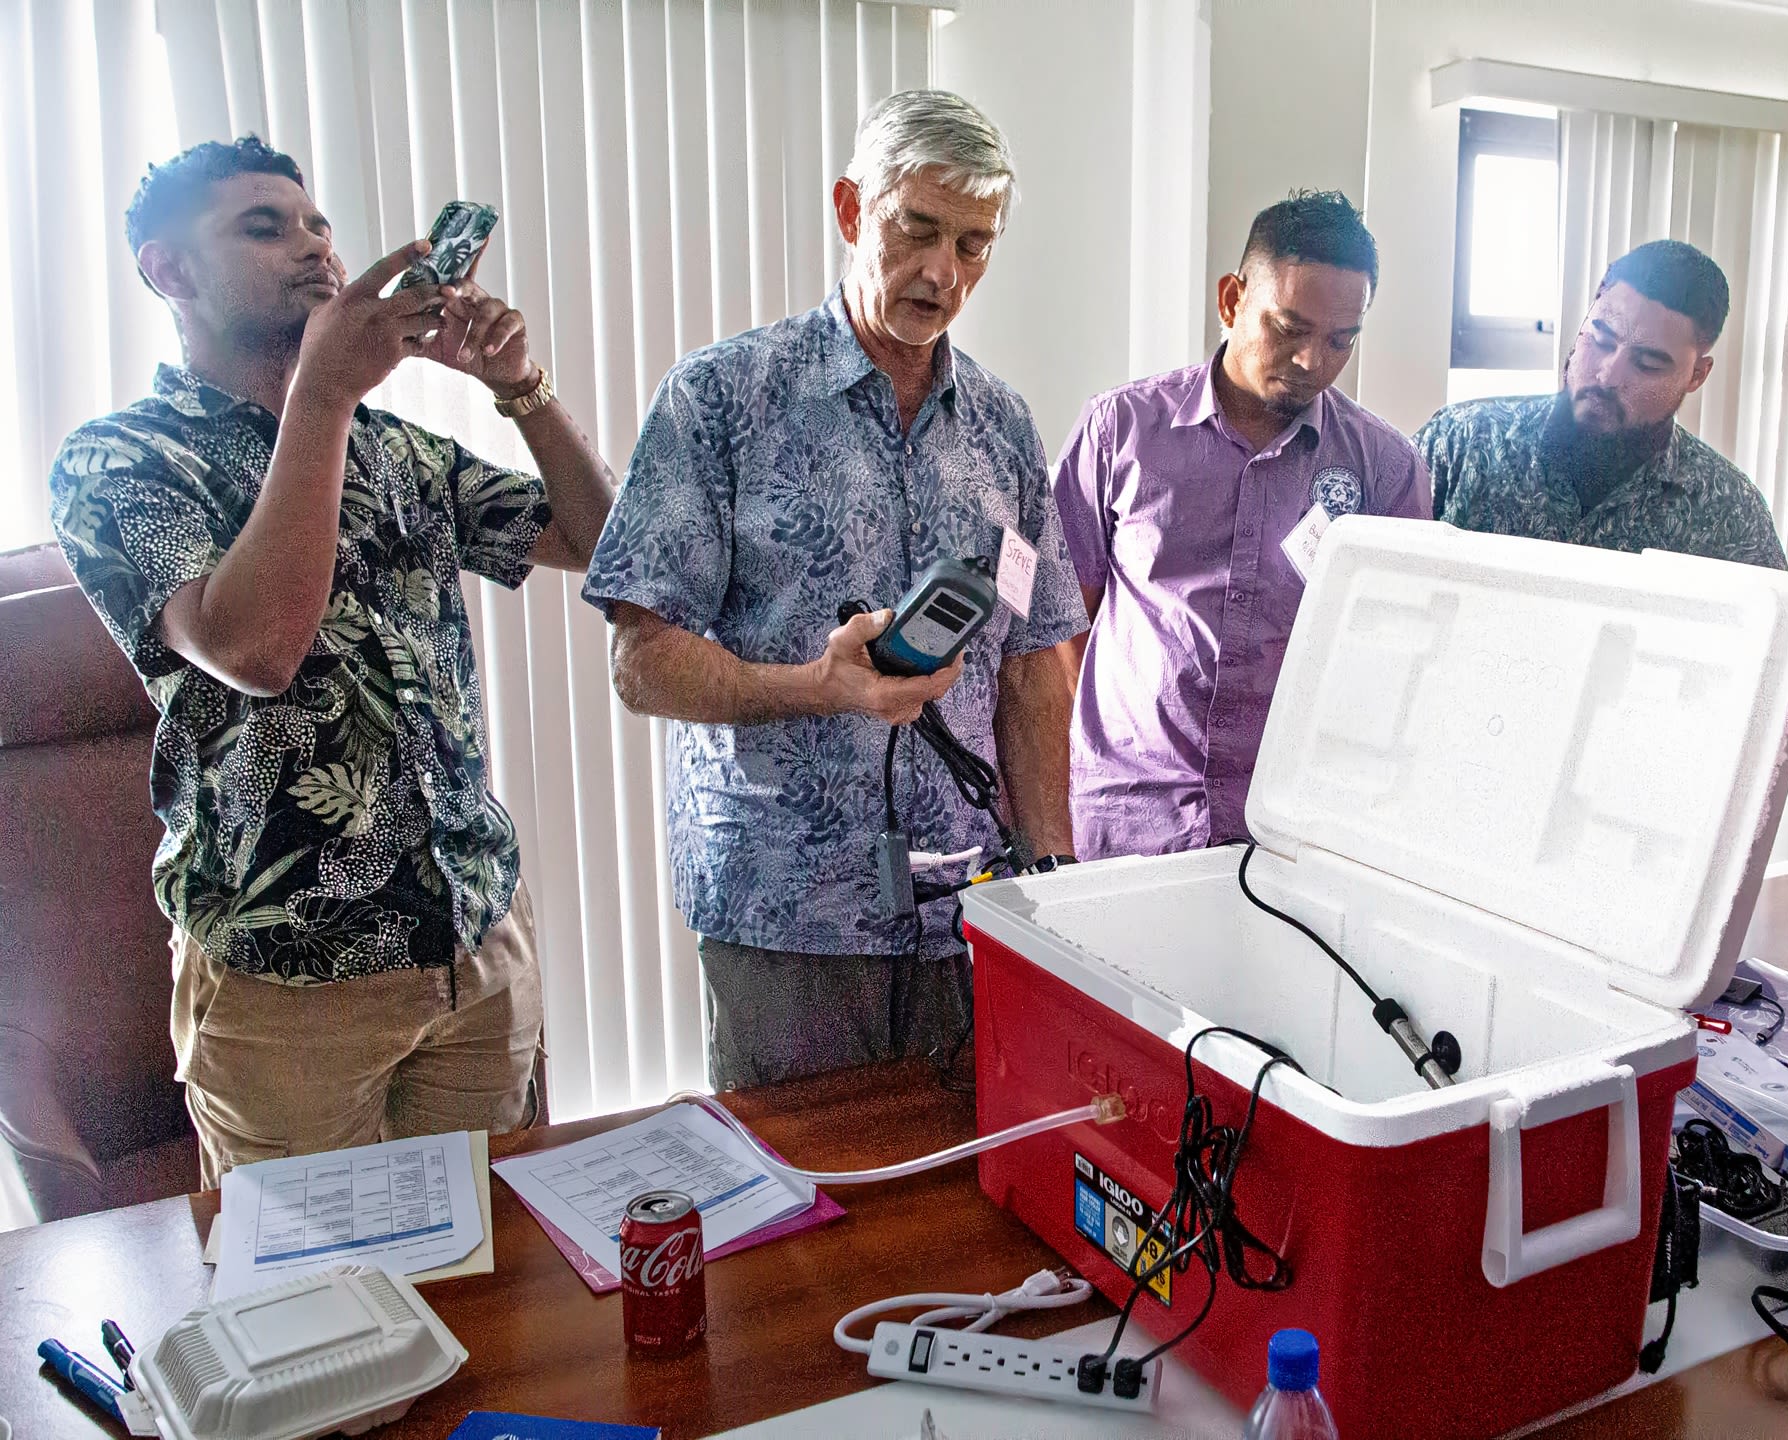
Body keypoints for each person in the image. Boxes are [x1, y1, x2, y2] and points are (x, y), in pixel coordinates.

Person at [48, 136, 616, 1185]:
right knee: (312, 1314)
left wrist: (520, 387)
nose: (313, 249)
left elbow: (603, 545)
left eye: (315, 225)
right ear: (166, 271)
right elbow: (256, 650)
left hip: (474, 946)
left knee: (489, 1289)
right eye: (262, 229)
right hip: (288, 985)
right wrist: (320, 395)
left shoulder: (395, 449)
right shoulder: (120, 460)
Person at [583, 90, 1086, 1089]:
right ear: (854, 210)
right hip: (787, 920)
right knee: (802, 1220)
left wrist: (1055, 884)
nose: (943, 272)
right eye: (918, 229)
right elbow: (642, 664)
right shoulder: (720, 400)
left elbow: (1036, 670)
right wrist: (820, 685)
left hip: (970, 915)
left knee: (965, 1210)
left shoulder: (1004, 428)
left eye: (974, 246)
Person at [1052, 190, 1429, 860]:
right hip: (1125, 818)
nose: (1313, 361)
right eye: (1288, 329)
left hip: (1294, 835)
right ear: (1230, 300)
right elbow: (1051, 633)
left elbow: (1392, 669)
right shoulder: (1120, 431)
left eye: (1340, 340)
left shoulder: (1386, 469)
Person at [1416, 239, 1786, 570]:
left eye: (1648, 364)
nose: (1608, 376)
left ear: (1697, 375)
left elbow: (1782, 637)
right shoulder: (1459, 444)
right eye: (1602, 340)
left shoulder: (1728, 509)